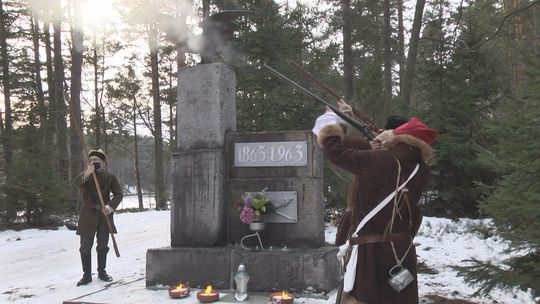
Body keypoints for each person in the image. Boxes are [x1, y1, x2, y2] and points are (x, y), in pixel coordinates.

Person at [313, 111, 436, 304]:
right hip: (402, 252)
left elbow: (335, 152)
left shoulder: (379, 160)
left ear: (398, 138)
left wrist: (329, 122)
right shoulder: (422, 170)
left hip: (370, 254)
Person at [74, 149, 123, 286]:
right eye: (91, 160)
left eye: (96, 160)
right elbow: (76, 183)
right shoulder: (87, 176)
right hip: (88, 215)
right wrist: (86, 174)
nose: (93, 162)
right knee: (84, 247)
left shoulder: (110, 177)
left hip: (104, 215)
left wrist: (110, 207)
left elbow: (118, 194)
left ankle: (102, 272)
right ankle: (87, 275)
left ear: (103, 162)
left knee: (102, 246)